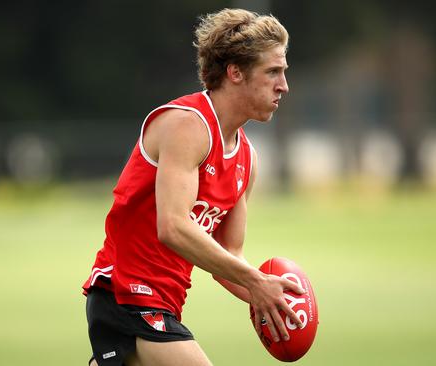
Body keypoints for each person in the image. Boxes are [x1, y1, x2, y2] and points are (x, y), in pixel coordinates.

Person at [82, 8, 305, 366]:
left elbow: (227, 257)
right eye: (273, 72)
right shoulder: (189, 126)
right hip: (126, 295)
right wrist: (255, 282)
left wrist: (268, 297)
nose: (284, 85)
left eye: (284, 72)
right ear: (235, 72)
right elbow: (173, 226)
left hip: (162, 304)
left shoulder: (246, 157)